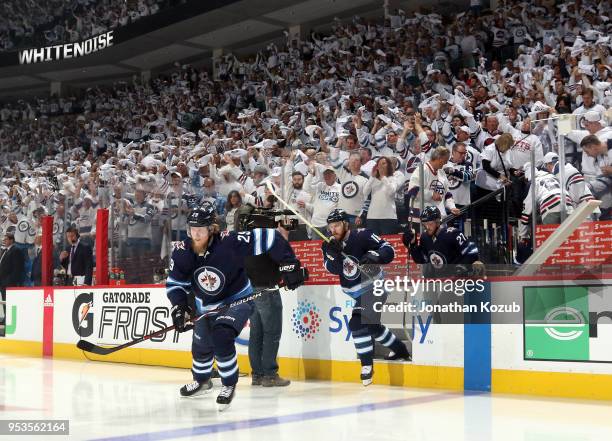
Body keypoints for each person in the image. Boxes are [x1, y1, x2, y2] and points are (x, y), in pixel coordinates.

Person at [166, 205, 306, 411]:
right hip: (205, 305)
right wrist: (179, 307)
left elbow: (271, 238)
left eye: (200, 229)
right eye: (191, 229)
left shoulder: (231, 243)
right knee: (201, 345)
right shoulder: (182, 253)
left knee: (222, 336)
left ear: (212, 229)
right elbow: (176, 284)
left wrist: (290, 264)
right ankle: (203, 380)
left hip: (237, 299)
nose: (195, 234)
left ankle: (229, 383)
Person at [321, 209, 411, 387]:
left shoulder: (363, 235)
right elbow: (330, 268)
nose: (333, 230)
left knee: (356, 323)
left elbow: (388, 249)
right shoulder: (328, 244)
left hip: (375, 287)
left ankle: (366, 366)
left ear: (346, 224)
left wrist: (375, 256)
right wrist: (334, 255)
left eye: (337, 225)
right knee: (372, 326)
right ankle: (400, 349)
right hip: (356, 293)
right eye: (331, 226)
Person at [402, 206, 483, 274]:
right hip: (437, 282)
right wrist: (413, 245)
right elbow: (422, 260)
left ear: (438, 222)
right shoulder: (425, 238)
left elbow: (472, 252)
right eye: (424, 224)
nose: (427, 227)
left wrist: (463, 266)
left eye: (430, 224)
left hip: (457, 281)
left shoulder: (453, 233)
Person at [0, 232, 26, 314]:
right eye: (3, 239)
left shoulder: (16, 250)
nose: (4, 241)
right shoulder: (4, 250)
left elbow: (17, 268)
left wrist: (10, 280)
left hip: (9, 282)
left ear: (11, 240)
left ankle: (10, 320)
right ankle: (6, 318)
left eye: (6, 239)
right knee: (4, 301)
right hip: (2, 282)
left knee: (9, 302)